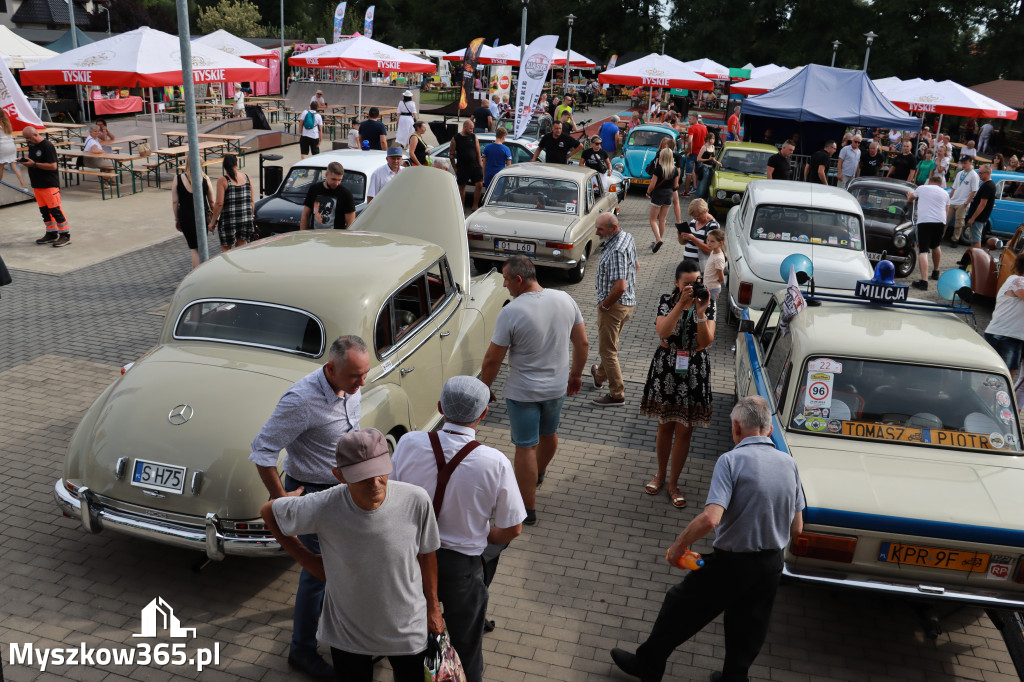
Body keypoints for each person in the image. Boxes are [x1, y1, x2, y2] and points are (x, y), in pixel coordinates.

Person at [611, 396, 805, 682]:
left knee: (680, 605)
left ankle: (648, 664)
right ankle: (734, 679)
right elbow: (797, 528)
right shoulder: (790, 464)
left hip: (732, 563)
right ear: (770, 428)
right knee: (749, 625)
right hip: (771, 564)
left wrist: (678, 547)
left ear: (736, 428)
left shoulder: (731, 461)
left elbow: (711, 518)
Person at [261, 427, 443, 682]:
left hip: (408, 629)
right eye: (362, 476)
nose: (375, 482)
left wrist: (433, 607)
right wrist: (307, 559)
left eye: (380, 472)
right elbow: (269, 511)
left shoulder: (416, 499)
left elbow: (427, 555)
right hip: (348, 635)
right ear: (340, 475)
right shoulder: (324, 505)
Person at [250, 336, 370, 679]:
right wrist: (281, 500)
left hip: (345, 489)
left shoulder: (351, 383)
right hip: (315, 494)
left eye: (364, 375)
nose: (362, 384)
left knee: (336, 568)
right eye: (354, 377)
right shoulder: (300, 401)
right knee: (318, 573)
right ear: (331, 368)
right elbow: (262, 450)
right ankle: (301, 651)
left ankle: (330, 618)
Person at [391, 376, 525, 682]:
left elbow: (392, 495)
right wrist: (485, 536)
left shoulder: (410, 442)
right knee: (467, 645)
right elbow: (513, 528)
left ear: (440, 407)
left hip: (409, 560)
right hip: (461, 567)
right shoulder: (495, 462)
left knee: (409, 644)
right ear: (484, 414)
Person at [481, 256, 588, 526]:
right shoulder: (565, 300)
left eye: (506, 279)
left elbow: (492, 359)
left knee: (525, 446)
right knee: (549, 434)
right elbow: (582, 343)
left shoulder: (511, 311)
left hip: (523, 393)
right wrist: (576, 375)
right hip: (555, 388)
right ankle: (538, 474)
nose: (504, 284)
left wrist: (484, 388)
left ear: (518, 280)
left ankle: (527, 509)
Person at [638, 259, 717, 509]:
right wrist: (681, 306)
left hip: (693, 367)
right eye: (687, 284)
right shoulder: (666, 300)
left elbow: (707, 340)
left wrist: (701, 313)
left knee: (685, 430)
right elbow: (663, 332)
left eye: (696, 283)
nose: (692, 288)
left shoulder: (708, 303)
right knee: (665, 425)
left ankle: (674, 483)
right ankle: (660, 475)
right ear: (676, 283)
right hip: (668, 366)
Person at [591, 212, 638, 407]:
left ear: (614, 229)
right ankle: (600, 376)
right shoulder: (627, 237)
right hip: (628, 304)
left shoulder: (617, 249)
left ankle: (617, 394)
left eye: (600, 229)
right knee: (609, 347)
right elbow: (635, 265)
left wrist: (606, 305)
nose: (596, 232)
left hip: (614, 306)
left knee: (608, 351)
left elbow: (620, 286)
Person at [21, 127, 70, 248]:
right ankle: (51, 233)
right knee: (45, 212)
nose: (26, 140)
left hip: (49, 185)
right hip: (37, 185)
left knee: (56, 210)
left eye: (28, 138)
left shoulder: (47, 146)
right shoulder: (32, 146)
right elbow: (33, 161)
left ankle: (65, 235)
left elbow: (53, 166)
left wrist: (34, 164)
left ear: (35, 135)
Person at [984, 253, 1024, 380]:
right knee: (998, 382)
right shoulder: (1018, 281)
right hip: (1004, 336)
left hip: (1010, 336)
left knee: (1000, 381)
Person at [906, 175, 950, 290]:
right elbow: (947, 210)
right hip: (940, 221)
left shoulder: (922, 188)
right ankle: (936, 272)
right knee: (936, 245)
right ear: (940, 184)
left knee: (923, 251)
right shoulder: (945, 193)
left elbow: (911, 198)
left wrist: (909, 198)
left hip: (925, 221)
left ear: (929, 181)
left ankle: (924, 282)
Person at [171, 161, 215, 269]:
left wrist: (177, 219)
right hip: (202, 217)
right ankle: (203, 271)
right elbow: (212, 202)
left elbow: (175, 202)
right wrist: (214, 219)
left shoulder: (177, 178)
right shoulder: (205, 179)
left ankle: (196, 273)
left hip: (185, 217)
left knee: (193, 248)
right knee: (201, 246)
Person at [207, 154, 256, 251]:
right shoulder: (246, 178)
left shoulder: (223, 180)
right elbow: (251, 201)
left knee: (227, 251)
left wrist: (212, 222)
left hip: (228, 221)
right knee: (240, 250)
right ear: (236, 164)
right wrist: (251, 216)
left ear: (224, 166)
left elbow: (219, 204)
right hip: (245, 219)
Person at [300, 161, 355, 230]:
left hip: (335, 239)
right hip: (314, 237)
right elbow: (305, 215)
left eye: (339, 180)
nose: (336, 183)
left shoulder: (346, 194)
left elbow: (351, 223)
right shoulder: (314, 189)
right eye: (334, 179)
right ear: (326, 174)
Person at [646, 147, 678, 254]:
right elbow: (675, 185)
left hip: (658, 194)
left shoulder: (658, 169)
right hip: (669, 194)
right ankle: (657, 240)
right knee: (663, 219)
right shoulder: (674, 170)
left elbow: (652, 185)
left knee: (653, 220)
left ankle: (658, 240)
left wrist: (648, 193)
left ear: (662, 157)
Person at [450, 120, 484, 211]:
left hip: (475, 166)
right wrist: (455, 168)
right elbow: (451, 154)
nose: (472, 130)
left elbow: (478, 152)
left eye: (473, 128)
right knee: (462, 186)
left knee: (479, 185)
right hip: (462, 167)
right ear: (465, 127)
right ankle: (462, 207)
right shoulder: (455, 138)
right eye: (470, 128)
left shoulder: (474, 137)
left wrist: (480, 166)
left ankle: (475, 206)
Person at [678, 198, 718, 273]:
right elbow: (683, 242)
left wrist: (693, 239)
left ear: (705, 211)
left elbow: (710, 250)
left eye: (698, 216)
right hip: (688, 265)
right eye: (694, 216)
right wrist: (680, 234)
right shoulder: (693, 222)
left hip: (701, 268)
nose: (696, 218)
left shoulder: (712, 226)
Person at [947, 155, 979, 245]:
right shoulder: (960, 173)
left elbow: (974, 191)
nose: (963, 165)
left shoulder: (974, 175)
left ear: (971, 163)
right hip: (953, 201)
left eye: (966, 163)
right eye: (962, 163)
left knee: (959, 223)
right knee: (945, 220)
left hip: (962, 203)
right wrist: (949, 199)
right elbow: (954, 187)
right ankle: (939, 236)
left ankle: (955, 239)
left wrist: (966, 202)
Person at [966, 164, 997, 248]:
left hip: (979, 218)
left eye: (980, 173)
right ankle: (972, 259)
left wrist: (973, 218)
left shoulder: (988, 186)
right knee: (973, 239)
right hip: (978, 217)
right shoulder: (985, 184)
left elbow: (982, 204)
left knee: (976, 239)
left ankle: (977, 258)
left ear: (987, 173)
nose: (979, 175)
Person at [0, 109, 26, 187]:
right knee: (14, 165)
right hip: (11, 145)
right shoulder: (7, 123)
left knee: (0, 166)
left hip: (2, 146)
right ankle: (23, 185)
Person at [684, 114, 707, 195]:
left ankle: (686, 192)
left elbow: (690, 141)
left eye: (690, 119)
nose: (689, 120)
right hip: (700, 154)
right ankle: (697, 189)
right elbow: (706, 141)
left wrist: (690, 151)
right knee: (698, 172)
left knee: (688, 173)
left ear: (695, 119)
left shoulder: (692, 128)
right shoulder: (704, 128)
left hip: (692, 153)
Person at [704, 229, 726, 301]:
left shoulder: (718, 258)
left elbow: (721, 278)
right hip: (708, 286)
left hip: (712, 288)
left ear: (720, 242)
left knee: (709, 309)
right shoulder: (713, 252)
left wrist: (713, 282)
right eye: (708, 240)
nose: (709, 243)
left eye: (712, 241)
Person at [696, 133, 720, 199]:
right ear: (708, 139)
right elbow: (698, 159)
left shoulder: (713, 147)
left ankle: (704, 201)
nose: (712, 140)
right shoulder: (704, 147)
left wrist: (717, 162)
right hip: (705, 168)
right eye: (711, 138)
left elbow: (713, 158)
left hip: (710, 168)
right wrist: (708, 159)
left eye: (713, 139)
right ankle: (698, 200)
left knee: (707, 187)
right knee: (702, 187)